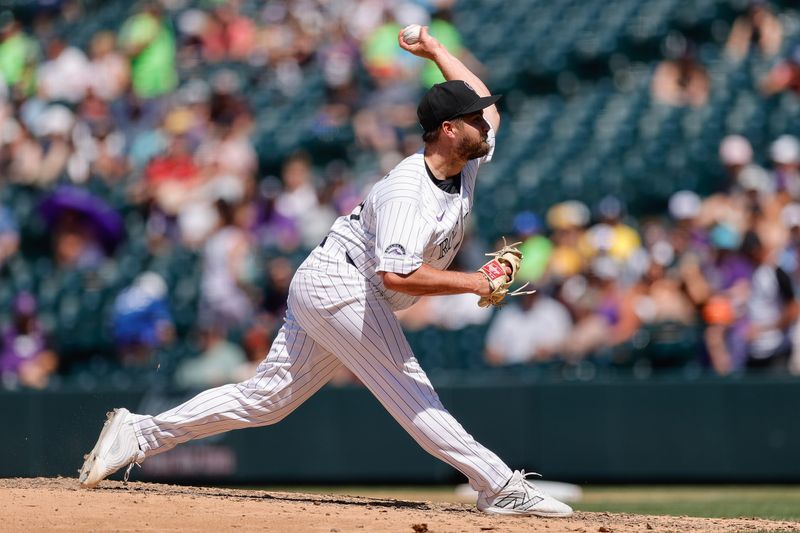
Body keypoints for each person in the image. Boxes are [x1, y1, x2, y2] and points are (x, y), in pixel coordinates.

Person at [78, 26, 573, 518]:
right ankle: (499, 485)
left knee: (266, 400)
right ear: (448, 129)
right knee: (411, 392)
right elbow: (396, 278)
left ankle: (139, 433)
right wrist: (474, 282)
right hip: (346, 283)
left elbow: (489, 108)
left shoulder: (463, 162)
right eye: (473, 121)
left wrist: (436, 50)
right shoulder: (408, 192)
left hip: (334, 278)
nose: (487, 125)